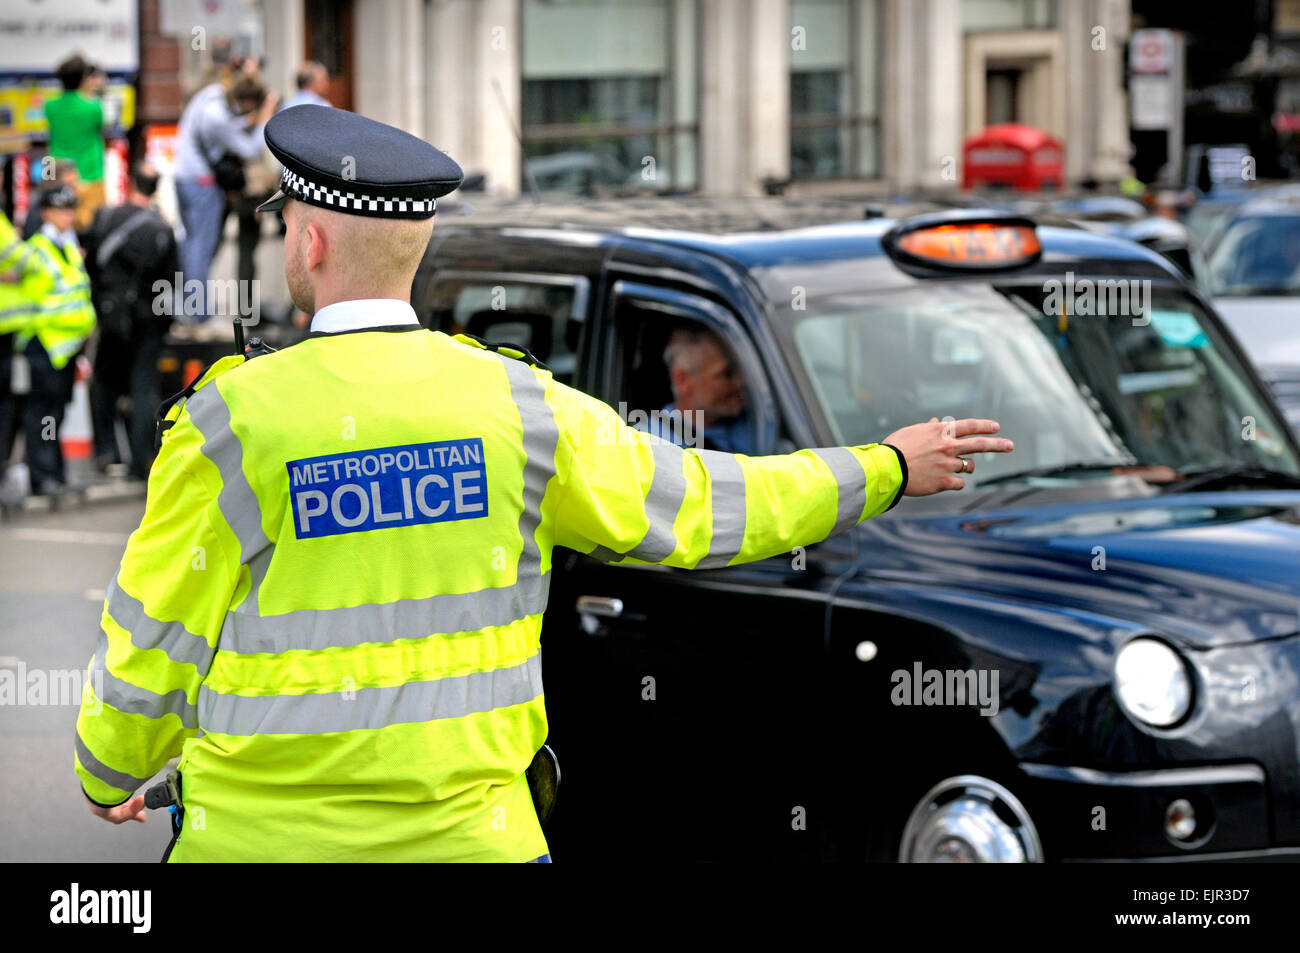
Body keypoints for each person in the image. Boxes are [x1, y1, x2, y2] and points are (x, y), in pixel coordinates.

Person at [74, 105, 1014, 861]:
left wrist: (109, 770)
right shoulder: (519, 409)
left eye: (286, 225)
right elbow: (706, 506)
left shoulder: (230, 424)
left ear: (312, 241)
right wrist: (884, 466)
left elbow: (149, 644)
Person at [83, 162, 178, 479]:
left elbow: (91, 267)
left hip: (110, 316)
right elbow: (172, 281)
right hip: (147, 318)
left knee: (103, 383)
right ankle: (141, 464)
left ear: (130, 182)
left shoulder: (106, 217)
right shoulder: (162, 230)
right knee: (143, 388)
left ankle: (106, 453)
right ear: (156, 188)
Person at [173, 74, 278, 321]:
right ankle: (199, 313)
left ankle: (191, 307)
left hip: (184, 177)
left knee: (194, 244)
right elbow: (251, 148)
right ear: (244, 101)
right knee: (201, 247)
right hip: (202, 183)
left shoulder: (212, 94)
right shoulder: (217, 117)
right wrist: (263, 120)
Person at [15, 185, 96, 495]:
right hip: (44, 343)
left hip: (67, 345)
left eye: (71, 209)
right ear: (45, 212)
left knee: (57, 411)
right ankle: (42, 475)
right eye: (61, 209)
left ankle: (56, 472)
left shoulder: (69, 245)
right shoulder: (36, 248)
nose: (68, 215)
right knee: (43, 413)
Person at [640, 325, 755, 453]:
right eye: (726, 374)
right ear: (683, 381)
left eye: (741, 370)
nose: (741, 382)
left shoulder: (757, 419)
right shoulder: (650, 444)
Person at [44, 56, 108, 234]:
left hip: (56, 172)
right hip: (89, 174)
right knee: (92, 227)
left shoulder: (50, 106)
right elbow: (103, 126)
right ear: (83, 79)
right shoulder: (93, 108)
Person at [23, 159, 80, 240]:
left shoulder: (75, 198)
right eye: (70, 181)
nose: (74, 184)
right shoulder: (42, 202)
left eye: (75, 180)